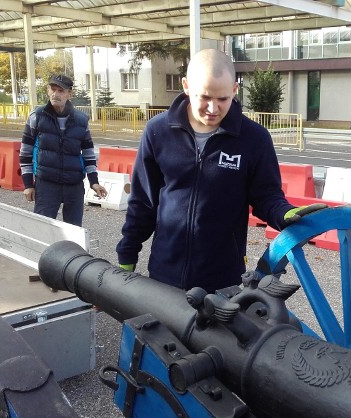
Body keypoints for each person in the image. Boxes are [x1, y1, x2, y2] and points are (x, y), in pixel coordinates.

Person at [116, 48, 324, 294]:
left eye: (223, 99)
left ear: (235, 90)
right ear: (185, 86)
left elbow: (266, 196)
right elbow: (143, 202)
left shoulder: (254, 139)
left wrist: (285, 213)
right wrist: (127, 254)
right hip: (164, 274)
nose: (213, 108)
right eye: (204, 97)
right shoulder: (157, 132)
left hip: (222, 280)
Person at [19, 74, 107, 227]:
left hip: (74, 185)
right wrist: (28, 185)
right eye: (53, 89)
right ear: (48, 90)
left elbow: (88, 154)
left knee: (74, 231)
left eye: (61, 91)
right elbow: (25, 153)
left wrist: (94, 182)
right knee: (42, 229)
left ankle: (72, 252)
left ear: (69, 94)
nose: (56, 94)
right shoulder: (36, 117)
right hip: (46, 183)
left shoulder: (81, 120)